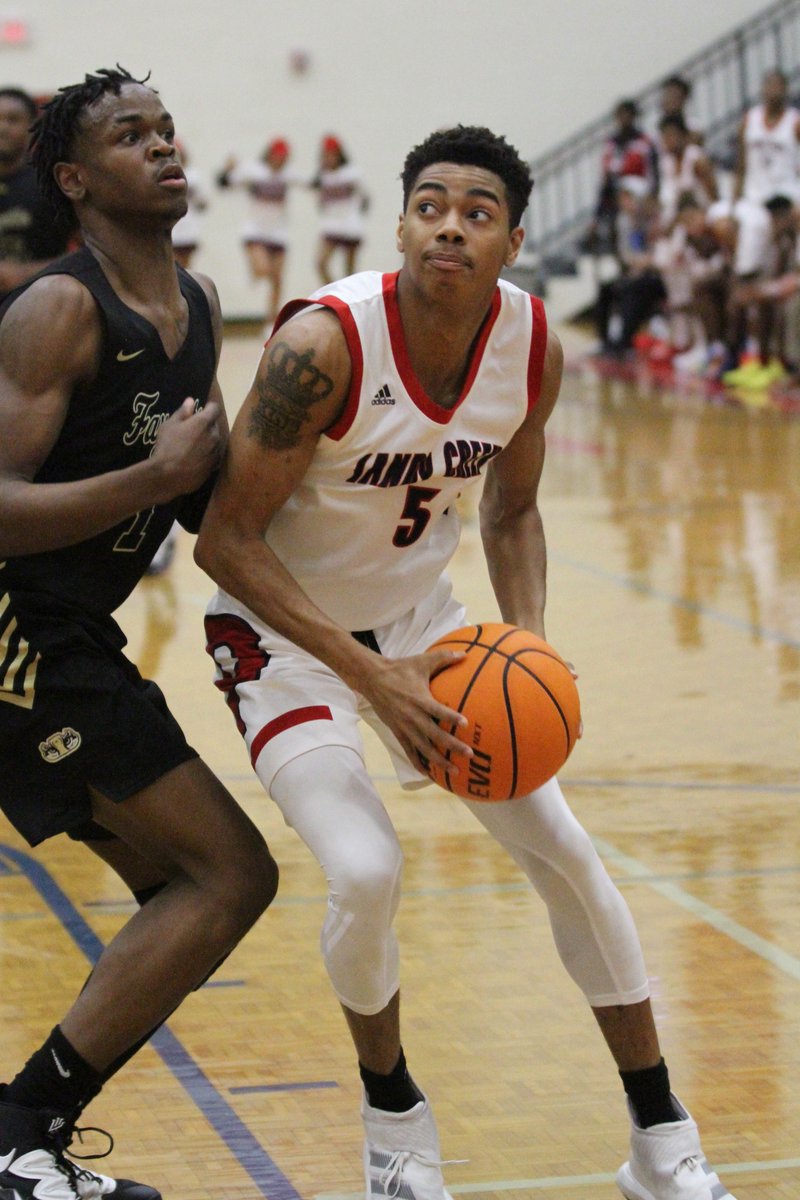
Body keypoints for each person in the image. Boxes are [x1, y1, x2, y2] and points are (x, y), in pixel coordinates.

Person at [195, 124, 734, 1200]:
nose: (449, 224)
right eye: (429, 203)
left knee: (566, 851)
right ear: (398, 222)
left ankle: (658, 1139)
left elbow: (515, 509)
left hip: (423, 626)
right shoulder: (324, 343)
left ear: (512, 240)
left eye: (475, 211)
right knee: (364, 871)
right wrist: (363, 674)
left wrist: (522, 639)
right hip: (285, 638)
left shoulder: (530, 343)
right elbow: (226, 541)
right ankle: (394, 1123)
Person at [0, 66, 279, 1200]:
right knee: (229, 872)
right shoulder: (61, 309)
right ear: (74, 180)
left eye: (167, 130)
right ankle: (20, 1135)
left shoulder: (202, 303)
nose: (163, 147)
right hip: (19, 633)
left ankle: (26, 1137)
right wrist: (146, 480)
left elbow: (197, 496)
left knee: (194, 883)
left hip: (73, 635)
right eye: (130, 136)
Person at [0, 86, 73, 299]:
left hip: (37, 305)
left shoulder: (55, 183)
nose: (2, 128)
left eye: (12, 120)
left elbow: (93, 251)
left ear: (32, 126)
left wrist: (25, 272)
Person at [217, 136, 298, 329]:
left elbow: (313, 182)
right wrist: (228, 169)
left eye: (283, 158)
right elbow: (225, 183)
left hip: (278, 233)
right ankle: (253, 271)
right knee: (263, 270)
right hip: (255, 231)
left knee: (277, 280)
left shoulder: (288, 175)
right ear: (269, 155)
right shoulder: (254, 172)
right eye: (277, 156)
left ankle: (271, 320)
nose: (280, 161)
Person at [311, 133, 369, 284]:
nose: (329, 159)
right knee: (321, 263)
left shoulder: (350, 173)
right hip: (332, 226)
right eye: (326, 155)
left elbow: (364, 197)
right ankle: (334, 292)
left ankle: (349, 300)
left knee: (349, 271)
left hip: (350, 225)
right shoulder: (322, 176)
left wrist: (358, 214)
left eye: (332, 155)